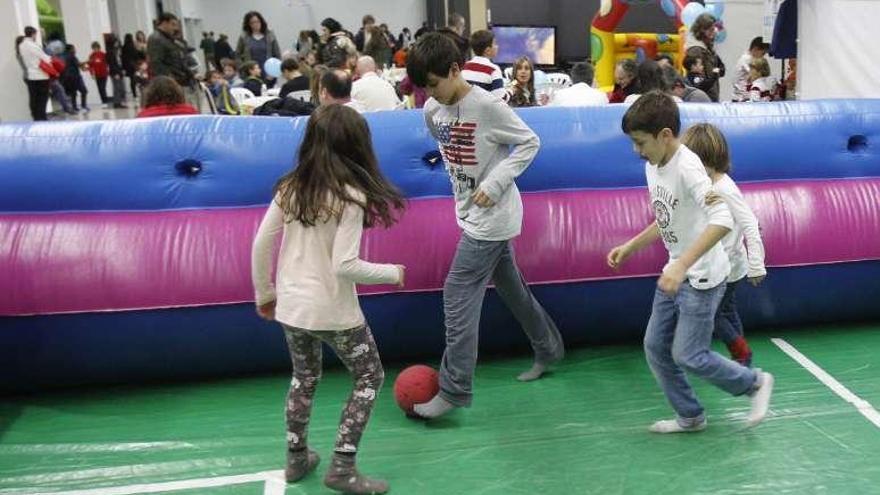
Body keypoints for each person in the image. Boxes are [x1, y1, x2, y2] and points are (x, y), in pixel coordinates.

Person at [405, 33, 565, 419]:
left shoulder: (487, 106)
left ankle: (455, 389)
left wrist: (494, 183)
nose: (431, 94)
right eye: (424, 88)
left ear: (455, 70)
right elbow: (451, 148)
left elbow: (529, 142)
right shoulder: (433, 111)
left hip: (493, 218)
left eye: (434, 84)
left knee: (457, 293)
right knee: (511, 288)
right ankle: (549, 348)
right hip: (470, 213)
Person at [251, 103, 404, 494]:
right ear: (356, 148)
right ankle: (342, 466)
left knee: (304, 377)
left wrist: (265, 294)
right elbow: (345, 265)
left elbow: (261, 244)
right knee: (370, 376)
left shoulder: (290, 188)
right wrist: (391, 273)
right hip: (334, 311)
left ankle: (297, 457)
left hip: (292, 306)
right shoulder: (349, 196)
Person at [608, 91, 773, 433]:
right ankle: (690, 416)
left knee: (689, 354)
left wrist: (683, 264)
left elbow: (723, 218)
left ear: (665, 135)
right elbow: (668, 218)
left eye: (641, 142)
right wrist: (631, 246)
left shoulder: (688, 167)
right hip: (676, 271)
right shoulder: (654, 165)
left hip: (702, 278)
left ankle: (754, 382)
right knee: (655, 347)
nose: (637, 151)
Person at [681, 123, 766, 367]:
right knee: (726, 311)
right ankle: (742, 358)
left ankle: (742, 354)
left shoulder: (725, 188)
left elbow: (750, 223)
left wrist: (757, 265)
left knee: (712, 314)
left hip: (727, 268)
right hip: (725, 265)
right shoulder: (708, 184)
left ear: (710, 161)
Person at [147, 13, 193, 88]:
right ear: (164, 23)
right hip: (169, 83)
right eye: (173, 24)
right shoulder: (156, 39)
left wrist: (190, 74)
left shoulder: (169, 38)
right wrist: (170, 80)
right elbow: (156, 63)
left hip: (179, 80)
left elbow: (178, 59)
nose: (175, 28)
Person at [685, 13, 725, 102]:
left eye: (713, 28)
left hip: (711, 94)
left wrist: (717, 71)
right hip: (703, 97)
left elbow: (721, 70)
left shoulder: (709, 49)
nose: (714, 31)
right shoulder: (696, 50)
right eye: (710, 29)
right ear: (701, 30)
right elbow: (700, 81)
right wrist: (716, 72)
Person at [236, 11, 281, 84]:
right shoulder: (244, 37)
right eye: (252, 22)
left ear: (261, 21)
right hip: (251, 74)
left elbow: (277, 54)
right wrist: (243, 69)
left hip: (268, 73)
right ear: (248, 24)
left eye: (257, 21)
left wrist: (274, 71)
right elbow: (237, 55)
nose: (256, 24)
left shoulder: (270, 35)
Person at [18, 26, 53, 121]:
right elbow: (45, 58)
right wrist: (51, 59)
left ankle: (36, 118)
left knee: (33, 98)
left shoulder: (21, 45)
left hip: (30, 75)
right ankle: (42, 118)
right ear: (33, 34)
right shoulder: (33, 45)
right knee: (42, 98)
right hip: (41, 75)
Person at [462, 29, 505, 100]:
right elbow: (500, 99)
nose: (497, 46)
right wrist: (510, 91)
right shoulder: (493, 70)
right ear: (487, 50)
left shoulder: (464, 67)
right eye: (495, 43)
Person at [732, 36, 769, 102]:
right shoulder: (747, 59)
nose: (763, 57)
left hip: (744, 97)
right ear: (755, 49)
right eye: (763, 53)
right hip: (741, 99)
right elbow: (757, 75)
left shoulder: (747, 58)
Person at [60, 44, 89, 112]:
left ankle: (74, 107)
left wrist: (83, 67)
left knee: (73, 93)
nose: (75, 50)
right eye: (74, 48)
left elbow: (76, 65)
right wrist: (87, 61)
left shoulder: (65, 56)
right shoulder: (72, 56)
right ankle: (83, 106)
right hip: (75, 77)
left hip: (68, 77)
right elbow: (78, 64)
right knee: (84, 91)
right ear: (71, 49)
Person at [105, 33, 128, 108]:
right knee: (117, 87)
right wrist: (116, 73)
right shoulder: (110, 52)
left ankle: (119, 102)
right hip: (115, 72)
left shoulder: (115, 51)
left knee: (120, 87)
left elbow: (119, 62)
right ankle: (117, 103)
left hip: (118, 71)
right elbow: (112, 64)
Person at [122, 33, 142, 98]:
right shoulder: (132, 46)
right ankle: (138, 91)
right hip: (133, 65)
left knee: (132, 79)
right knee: (137, 78)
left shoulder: (124, 47)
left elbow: (123, 57)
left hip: (127, 66)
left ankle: (134, 93)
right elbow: (136, 55)